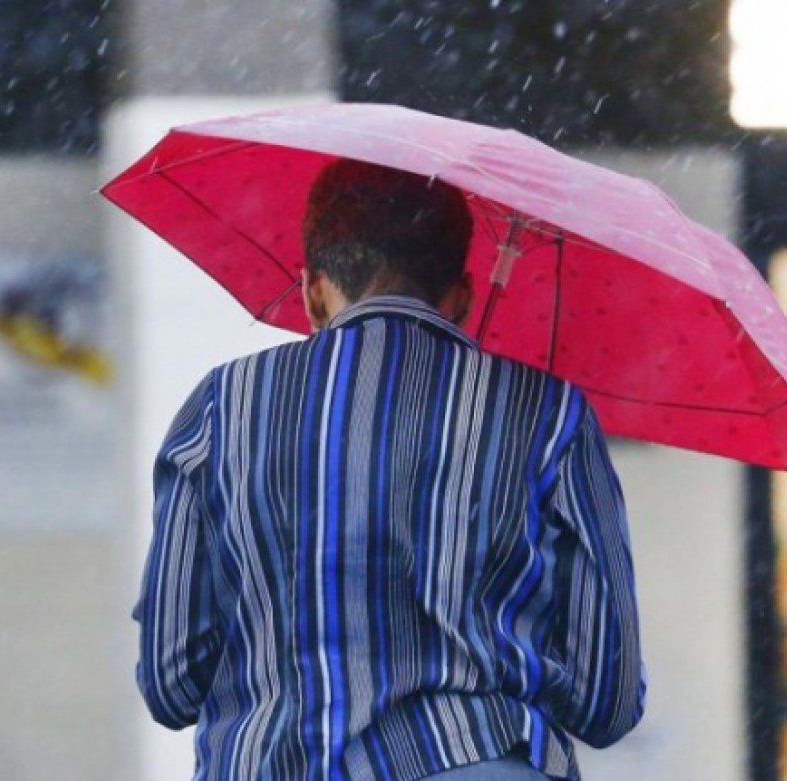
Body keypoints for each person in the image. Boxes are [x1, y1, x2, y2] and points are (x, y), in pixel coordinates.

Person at [134, 159, 645, 781]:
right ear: (461, 295)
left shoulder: (223, 405)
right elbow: (607, 702)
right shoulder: (549, 414)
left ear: (312, 289)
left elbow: (171, 683)